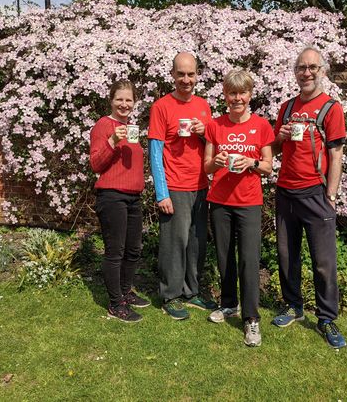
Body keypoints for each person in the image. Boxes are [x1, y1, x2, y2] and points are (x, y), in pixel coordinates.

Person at [271, 47, 347, 348]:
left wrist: (331, 193)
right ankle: (293, 305)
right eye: (301, 67)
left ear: (323, 71)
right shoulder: (286, 108)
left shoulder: (331, 108)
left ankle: (327, 318)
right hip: (286, 192)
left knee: (324, 262)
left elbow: (336, 152)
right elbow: (275, 148)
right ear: (295, 72)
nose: (306, 72)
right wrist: (282, 135)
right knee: (287, 256)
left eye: (312, 67)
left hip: (316, 194)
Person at [204, 70, 274, 347]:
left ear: (249, 95)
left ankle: (251, 319)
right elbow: (206, 166)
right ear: (225, 95)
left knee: (248, 259)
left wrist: (252, 163)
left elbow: (268, 167)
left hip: (248, 202)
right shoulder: (215, 125)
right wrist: (218, 162)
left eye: (242, 93)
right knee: (224, 258)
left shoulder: (262, 126)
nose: (237, 98)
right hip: (220, 201)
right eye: (232, 93)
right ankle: (229, 304)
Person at [148, 52, 217, 320]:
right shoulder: (161, 107)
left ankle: (192, 291)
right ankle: (170, 295)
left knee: (197, 242)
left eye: (190, 74)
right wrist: (161, 192)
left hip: (200, 184)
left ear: (197, 75)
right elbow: (155, 152)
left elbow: (211, 147)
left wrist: (204, 132)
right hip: (175, 185)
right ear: (172, 75)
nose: (185, 79)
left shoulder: (203, 106)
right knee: (174, 243)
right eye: (181, 74)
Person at [90, 79, 150, 323]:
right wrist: (112, 141)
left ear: (134, 102)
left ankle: (126, 292)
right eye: (120, 99)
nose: (124, 104)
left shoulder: (132, 128)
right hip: (112, 195)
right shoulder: (103, 125)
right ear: (111, 100)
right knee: (115, 252)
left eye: (129, 100)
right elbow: (96, 163)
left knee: (133, 249)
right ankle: (116, 304)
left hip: (133, 196)